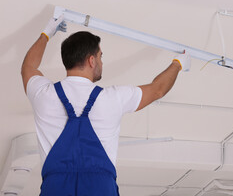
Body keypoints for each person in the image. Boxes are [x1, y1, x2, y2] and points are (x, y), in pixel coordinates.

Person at [21, 15, 191, 196]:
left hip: (55, 189)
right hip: (100, 189)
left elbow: (28, 67)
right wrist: (178, 64)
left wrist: (45, 35)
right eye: (100, 56)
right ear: (91, 60)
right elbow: (157, 90)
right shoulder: (112, 98)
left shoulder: (44, 95)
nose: (101, 62)